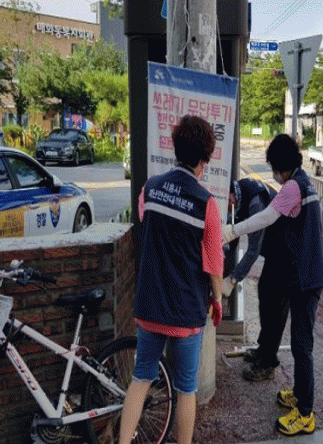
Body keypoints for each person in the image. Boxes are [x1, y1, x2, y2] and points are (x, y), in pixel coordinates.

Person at [119, 115, 223, 444]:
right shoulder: (206, 204)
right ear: (204, 159)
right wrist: (218, 299)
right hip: (186, 311)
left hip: (150, 306)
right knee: (185, 389)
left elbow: (144, 222)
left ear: (175, 148)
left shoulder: (149, 189)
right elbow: (213, 263)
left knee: (141, 379)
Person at [222, 133, 323, 437]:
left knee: (302, 346)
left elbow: (266, 218)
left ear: (281, 165)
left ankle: (305, 414)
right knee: (298, 342)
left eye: (273, 168)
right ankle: (299, 393)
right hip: (305, 275)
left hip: (306, 279)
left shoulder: (293, 187)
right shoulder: (304, 183)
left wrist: (232, 231)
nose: (273, 175)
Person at [222, 178, 275, 298]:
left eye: (227, 202)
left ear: (231, 198)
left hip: (282, 240)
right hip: (272, 233)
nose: (227, 207)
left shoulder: (256, 205)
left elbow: (253, 250)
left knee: (270, 291)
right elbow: (233, 233)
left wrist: (232, 280)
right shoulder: (238, 193)